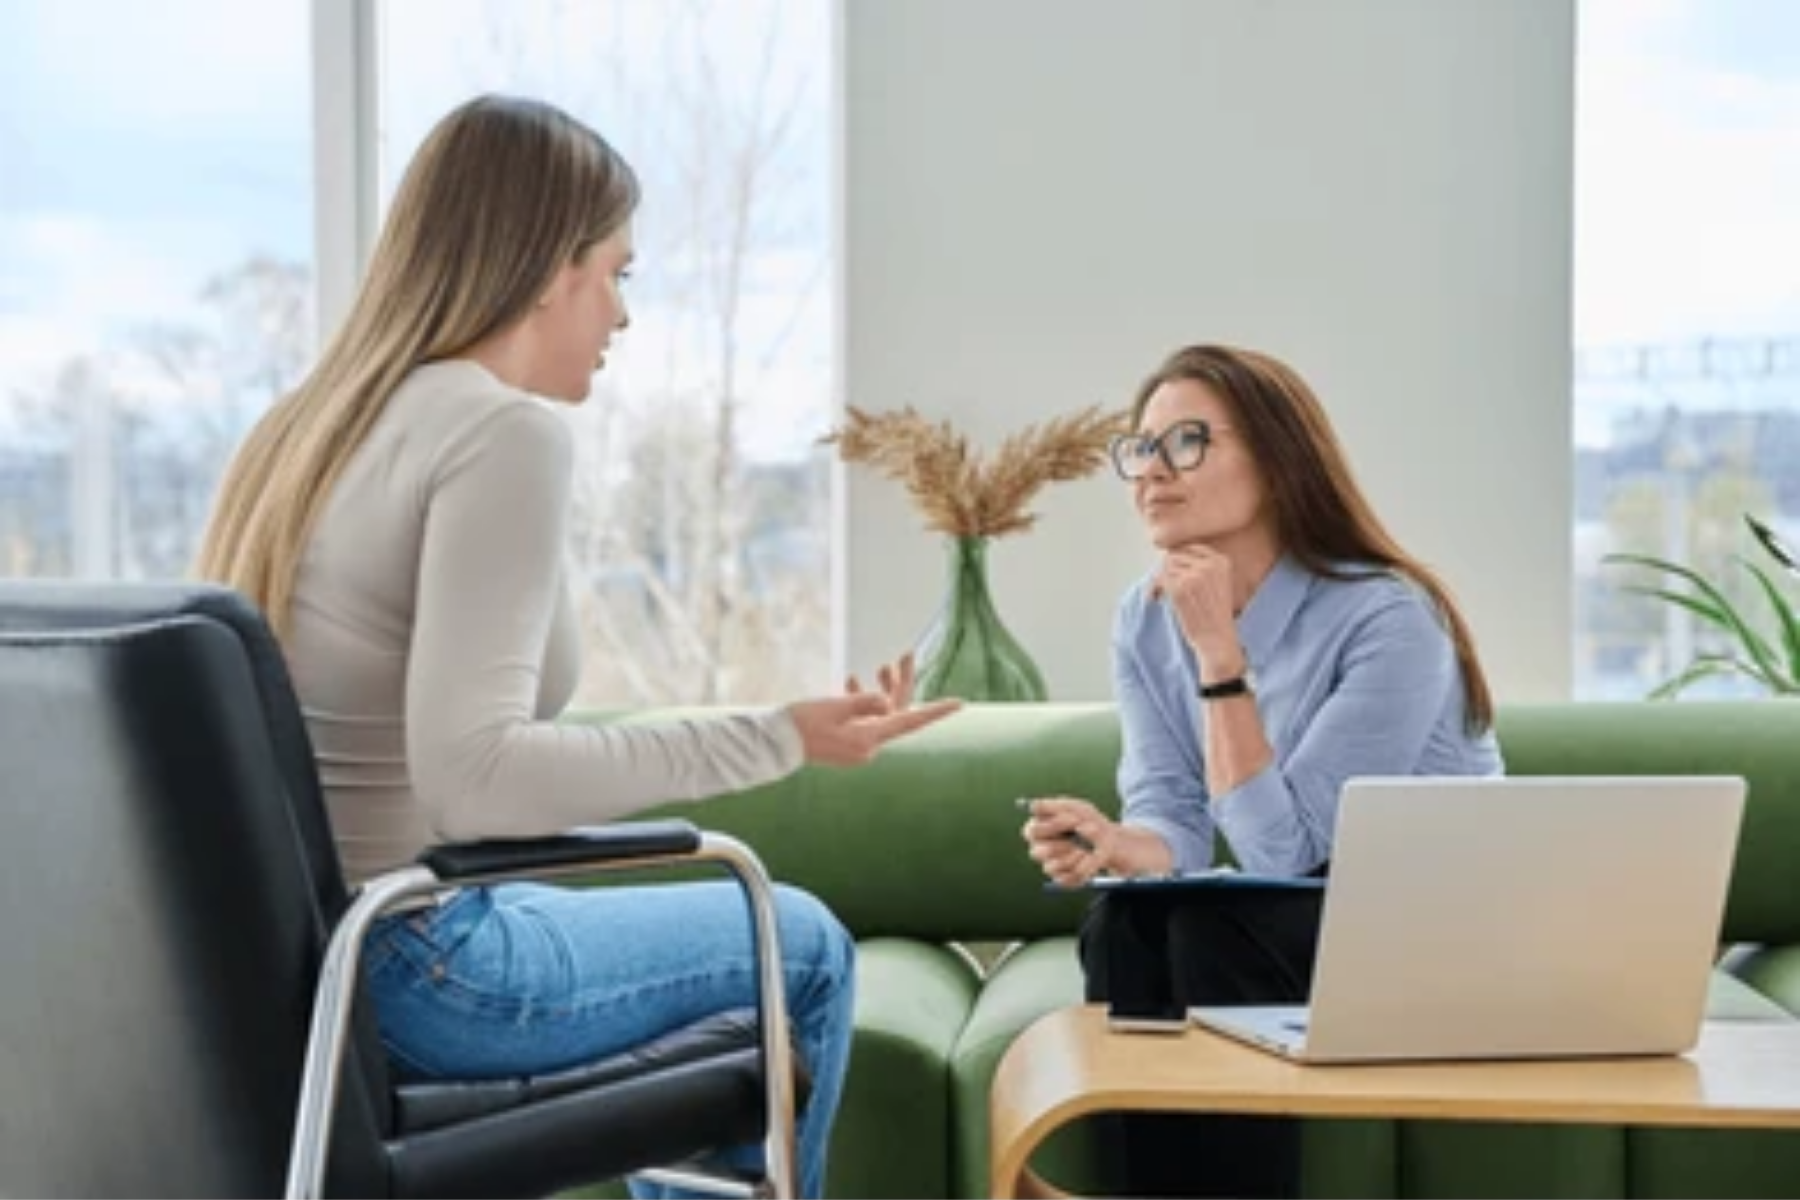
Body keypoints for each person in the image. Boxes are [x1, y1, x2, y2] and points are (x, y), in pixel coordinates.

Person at [195, 94, 959, 1200]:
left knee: (727, 966)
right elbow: (479, 779)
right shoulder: (498, 433)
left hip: (313, 957)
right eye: (618, 273)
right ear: (547, 265)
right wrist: (775, 736)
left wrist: (788, 730)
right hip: (420, 963)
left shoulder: (308, 427)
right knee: (798, 943)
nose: (622, 315)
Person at [1018, 342, 1503, 1197]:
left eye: (1187, 442)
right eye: (1140, 448)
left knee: (1215, 930)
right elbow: (1174, 812)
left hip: (1428, 929)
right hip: (1298, 924)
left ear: (1278, 463)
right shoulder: (1143, 618)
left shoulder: (1389, 616)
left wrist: (1218, 654)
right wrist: (1121, 846)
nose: (1151, 473)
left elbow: (1289, 855)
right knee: (1124, 923)